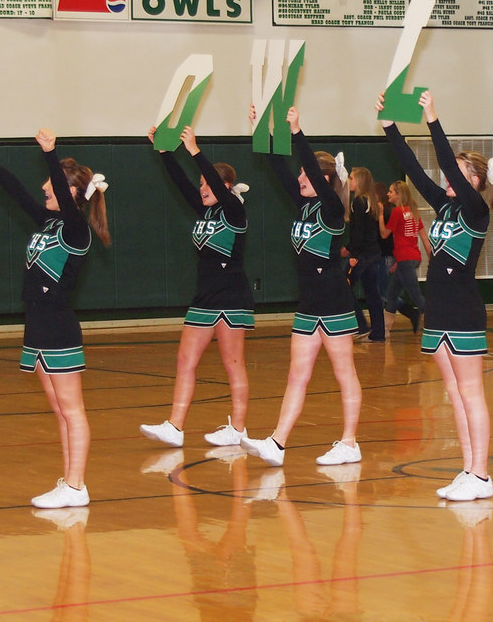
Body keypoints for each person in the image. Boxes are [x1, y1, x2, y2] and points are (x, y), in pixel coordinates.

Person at [0, 130, 110, 509]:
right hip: (37, 323)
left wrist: (51, 154)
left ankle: (77, 486)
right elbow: (14, 190)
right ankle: (69, 482)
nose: (44, 187)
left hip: (59, 324)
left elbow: (63, 196)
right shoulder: (47, 223)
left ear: (73, 192)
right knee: (59, 410)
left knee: (72, 409)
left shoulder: (75, 229)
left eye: (51, 183)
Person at [377, 90, 493, 502]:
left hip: (464, 309)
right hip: (439, 310)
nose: (448, 177)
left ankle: (482, 474)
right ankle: (467, 469)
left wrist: (433, 118)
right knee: (453, 394)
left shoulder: (475, 210)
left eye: (459, 173)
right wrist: (390, 128)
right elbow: (416, 172)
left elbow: (443, 160)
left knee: (471, 392)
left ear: (475, 182)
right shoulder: (445, 208)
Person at [241, 105, 364, 467]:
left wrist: (297, 131)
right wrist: (261, 133)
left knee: (345, 374)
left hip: (335, 301)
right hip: (308, 303)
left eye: (306, 176)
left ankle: (350, 442)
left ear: (324, 180)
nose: (299, 179)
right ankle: (277, 443)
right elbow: (280, 170)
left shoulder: (330, 209)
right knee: (297, 375)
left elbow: (308, 165)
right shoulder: (304, 206)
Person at [140, 125, 254, 448]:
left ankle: (239, 428)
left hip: (231, 296)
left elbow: (213, 180)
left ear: (226, 187)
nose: (202, 188)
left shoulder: (235, 211)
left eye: (208, 183)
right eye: (202, 184)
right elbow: (181, 183)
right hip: (204, 297)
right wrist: (164, 151)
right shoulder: (205, 211)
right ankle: (175, 426)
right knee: (185, 360)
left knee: (233, 364)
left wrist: (195, 150)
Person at [378, 180, 427, 336]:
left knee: (415, 295)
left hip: (406, 259)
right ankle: (384, 331)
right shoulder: (412, 211)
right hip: (411, 258)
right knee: (392, 294)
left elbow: (384, 234)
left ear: (398, 195)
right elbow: (424, 238)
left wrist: (380, 215)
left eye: (391, 191)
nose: (388, 194)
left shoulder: (398, 212)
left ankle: (437, 323)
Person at [343, 166, 386, 342]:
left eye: (351, 178)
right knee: (372, 293)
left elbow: (358, 232)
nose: (349, 181)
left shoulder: (359, 201)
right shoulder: (370, 201)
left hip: (362, 255)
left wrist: (353, 253)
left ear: (359, 181)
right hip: (373, 254)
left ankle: (360, 326)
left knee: (343, 287)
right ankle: (378, 333)